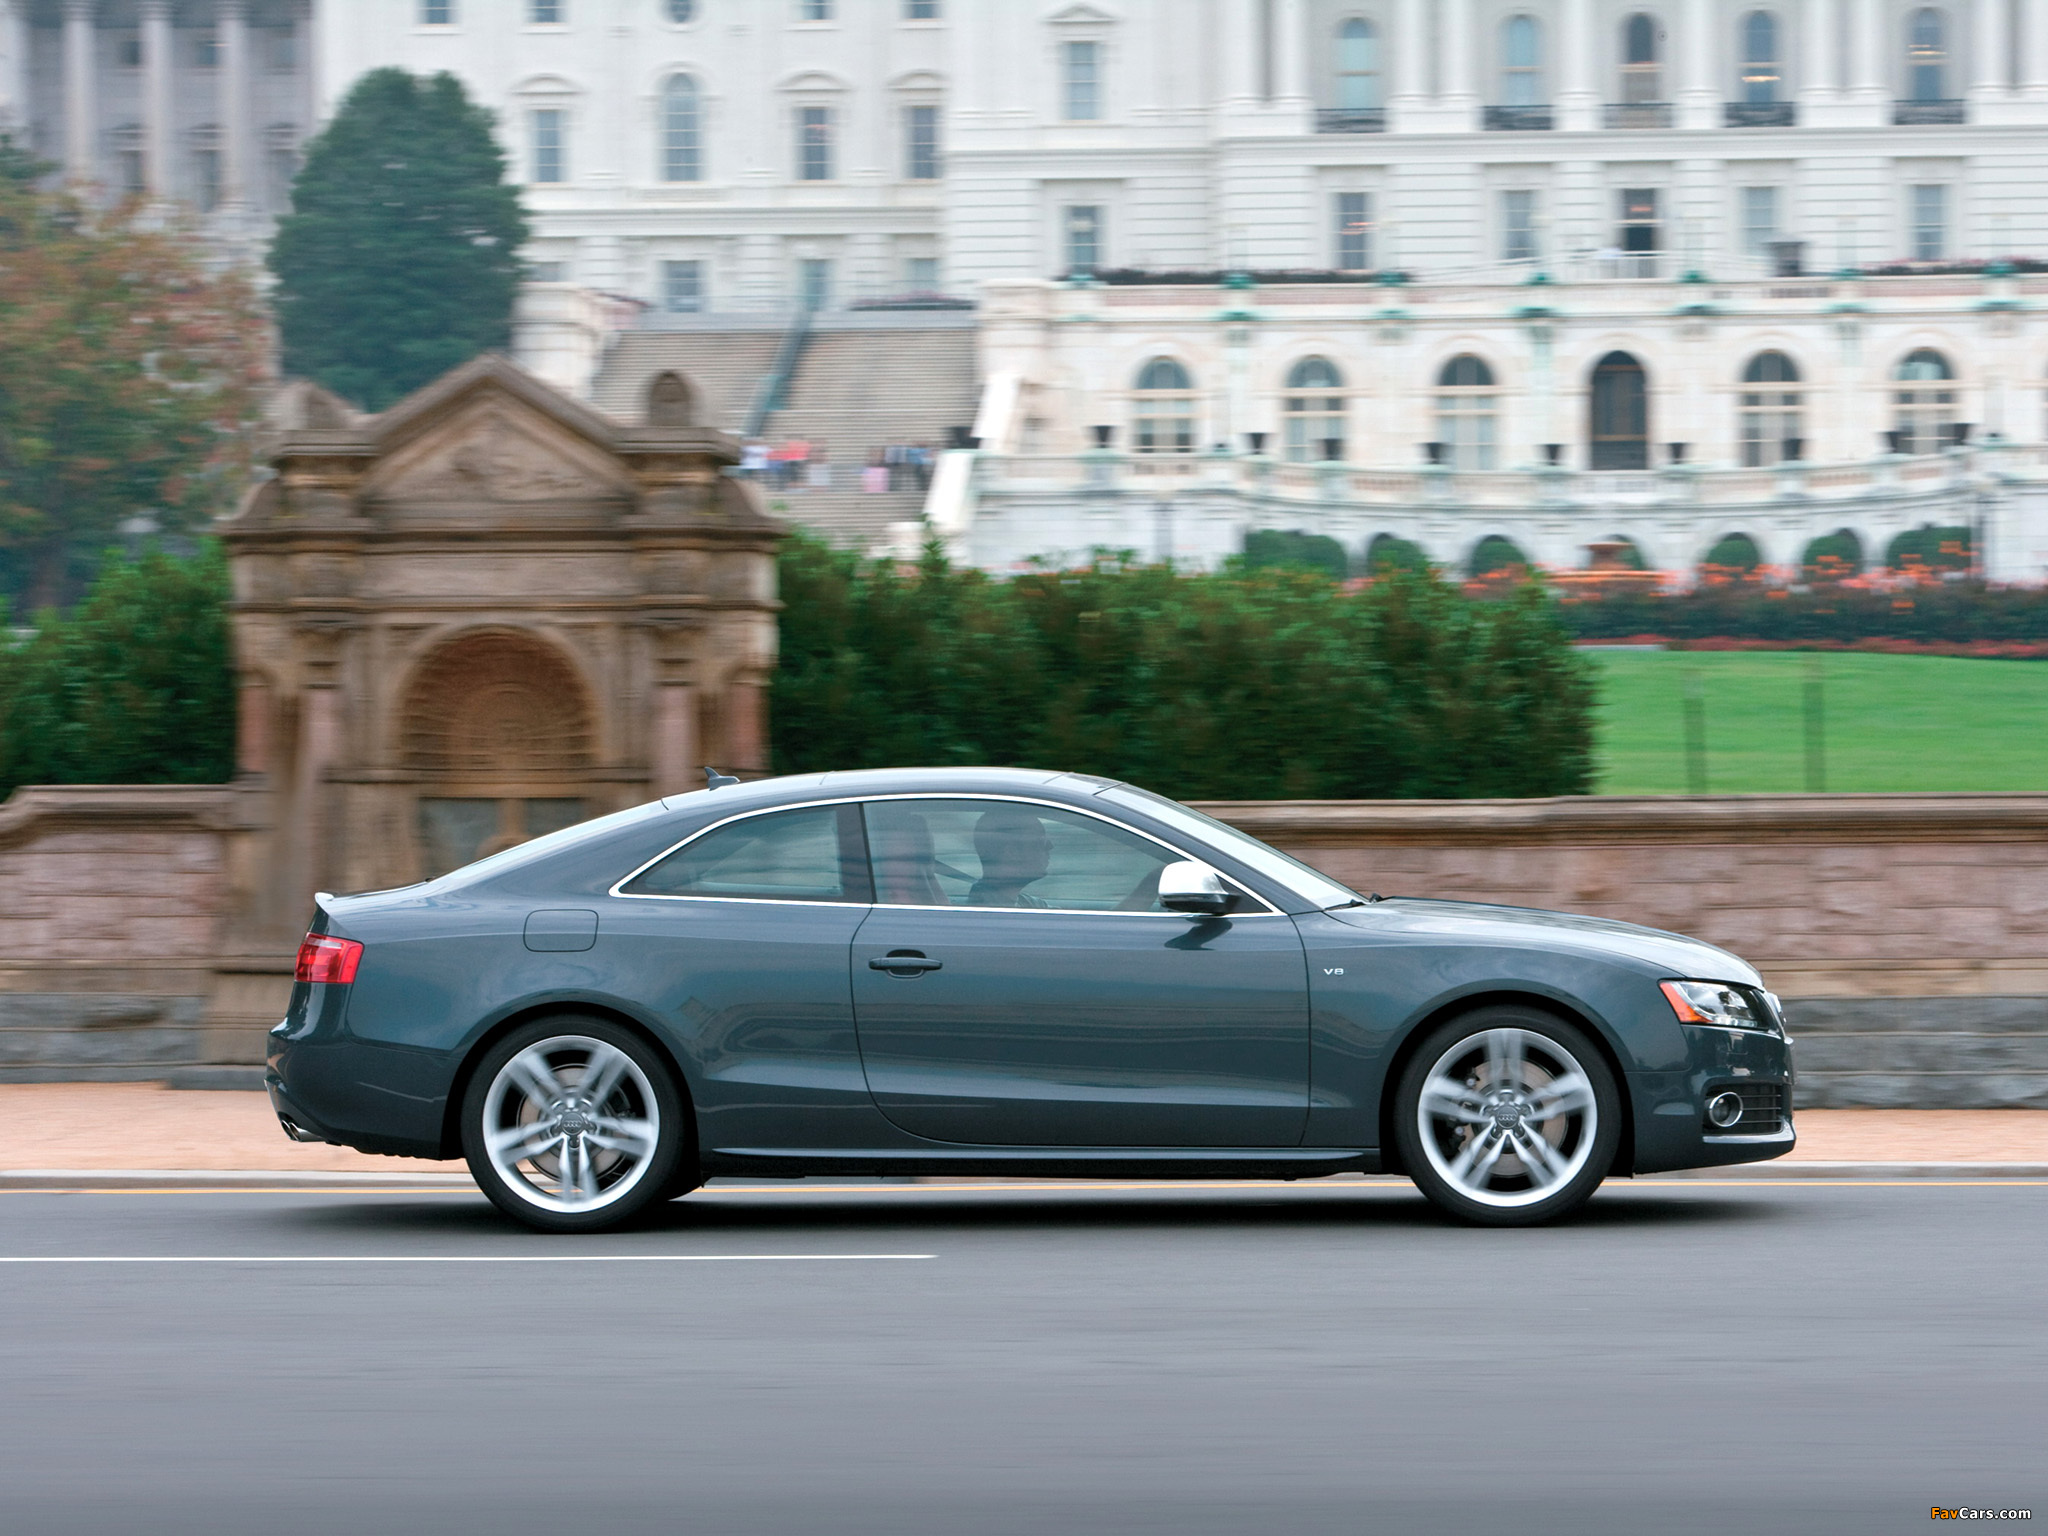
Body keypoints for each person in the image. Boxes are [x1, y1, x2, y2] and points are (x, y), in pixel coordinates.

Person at [967, 806, 1052, 907]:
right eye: (1039, 842)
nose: (1050, 846)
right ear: (1012, 853)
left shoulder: (1027, 903)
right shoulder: (988, 911)